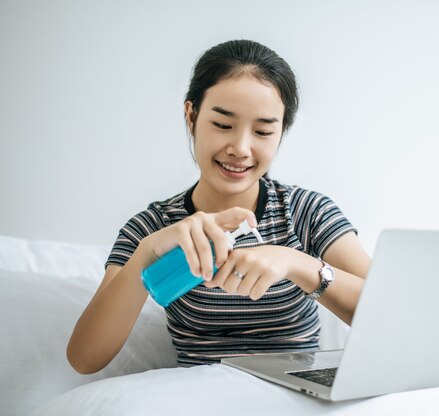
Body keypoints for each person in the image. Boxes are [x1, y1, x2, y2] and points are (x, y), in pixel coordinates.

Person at [67, 39, 371, 374]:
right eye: (223, 125)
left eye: (263, 131)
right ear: (191, 115)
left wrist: (298, 264)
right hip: (200, 395)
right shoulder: (153, 227)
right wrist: (147, 254)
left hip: (296, 396)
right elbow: (85, 358)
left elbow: (390, 314)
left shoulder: (304, 212)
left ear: (281, 132)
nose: (240, 148)